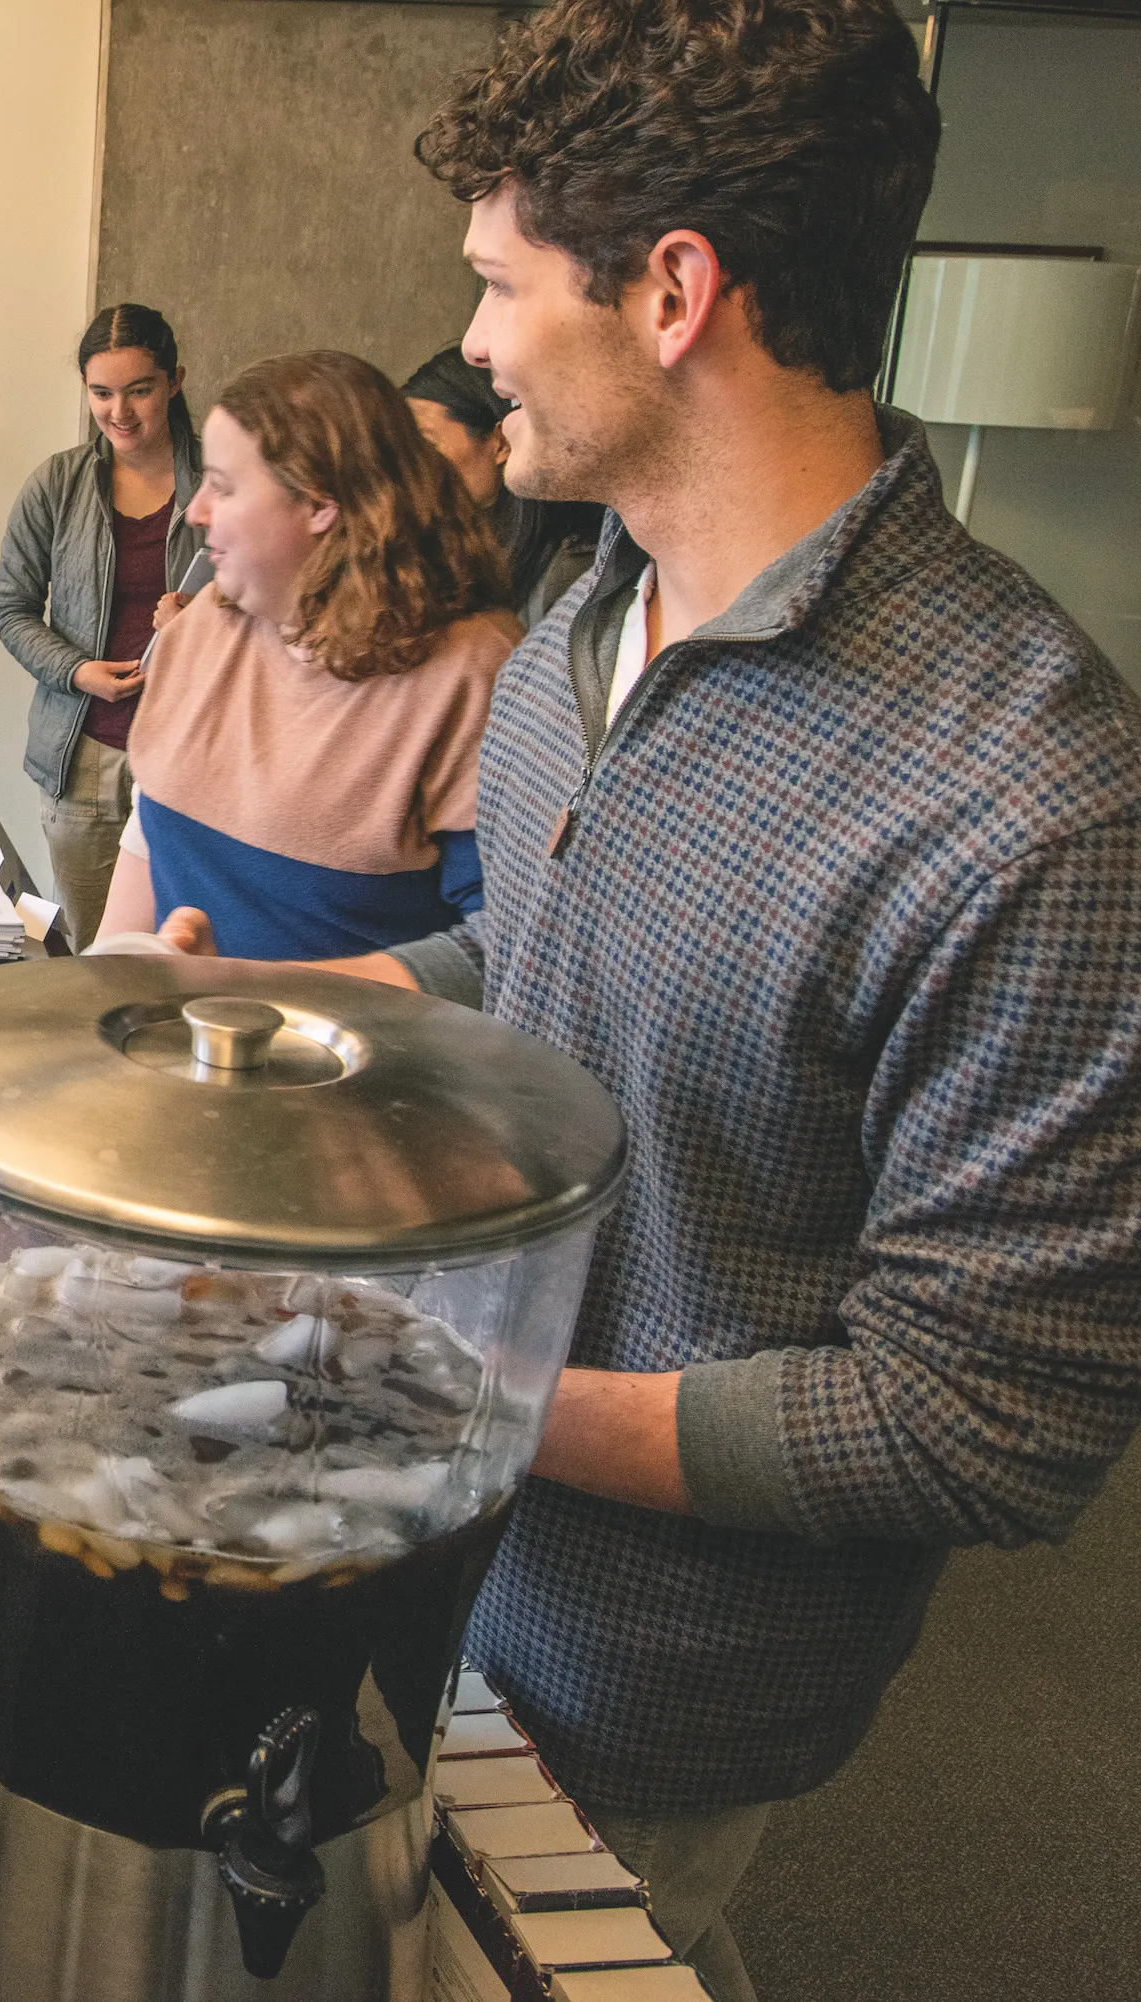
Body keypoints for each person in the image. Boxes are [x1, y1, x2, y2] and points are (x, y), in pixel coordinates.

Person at [148, 6, 1141, 1994]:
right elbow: (547, 949)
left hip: (645, 1668)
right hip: (422, 1534)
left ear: (675, 290)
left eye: (503, 284)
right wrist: (274, 1006)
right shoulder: (586, 625)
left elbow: (986, 1419)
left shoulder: (1026, 795)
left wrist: (456, 1400)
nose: (481, 341)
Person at [86, 351, 516, 960]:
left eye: (224, 487)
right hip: (173, 1042)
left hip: (361, 1052)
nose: (194, 511)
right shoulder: (202, 626)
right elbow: (148, 842)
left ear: (321, 504)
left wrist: (259, 1001)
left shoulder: (473, 671)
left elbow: (504, 954)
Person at [0, 304, 208, 950]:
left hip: (189, 752)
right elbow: (12, 607)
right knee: (89, 954)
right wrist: (76, 670)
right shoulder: (57, 484)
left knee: (183, 950)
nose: (120, 412)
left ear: (175, 381)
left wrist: (207, 623)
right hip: (84, 753)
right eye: (101, 393)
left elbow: (274, 605)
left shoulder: (221, 482)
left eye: (139, 389)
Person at [402, 345, 602, 626]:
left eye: (426, 445)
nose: (409, 466)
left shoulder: (570, 575)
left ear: (501, 443)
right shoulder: (429, 554)